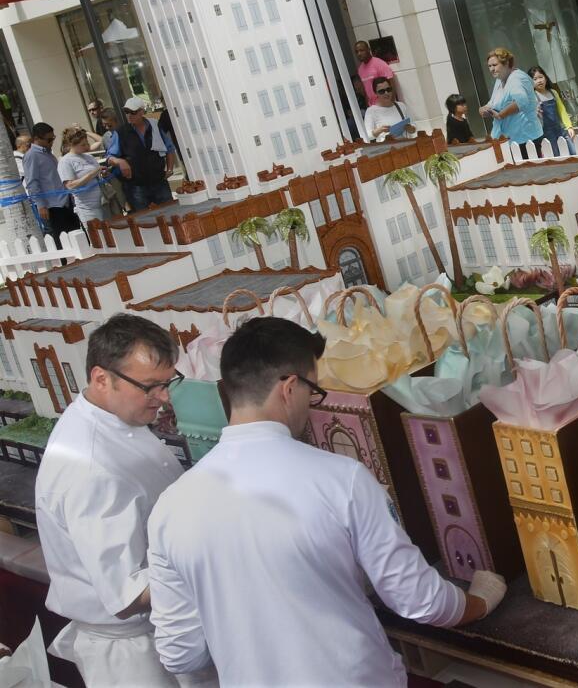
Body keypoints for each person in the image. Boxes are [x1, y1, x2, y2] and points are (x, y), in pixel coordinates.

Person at [146, 317, 503, 687]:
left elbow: (179, 653)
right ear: (289, 388)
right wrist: (479, 600)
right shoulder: (341, 480)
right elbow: (418, 600)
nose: (311, 404)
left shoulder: (170, 507)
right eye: (312, 391)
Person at [34, 314, 204, 687]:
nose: (163, 397)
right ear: (101, 378)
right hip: (136, 657)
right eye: (150, 387)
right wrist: (212, 561)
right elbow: (128, 593)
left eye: (168, 382)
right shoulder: (90, 468)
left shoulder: (113, 416)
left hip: (164, 630)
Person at [107, 98, 176, 211]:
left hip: (159, 181)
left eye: (133, 112)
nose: (129, 115)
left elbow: (169, 148)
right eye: (126, 112)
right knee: (144, 219)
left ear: (141, 112)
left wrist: (170, 169)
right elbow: (109, 157)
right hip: (136, 185)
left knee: (171, 212)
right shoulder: (120, 132)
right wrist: (121, 161)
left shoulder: (155, 126)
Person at [479, 48, 543, 154]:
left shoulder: (516, 78)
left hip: (524, 138)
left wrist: (500, 115)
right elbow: (493, 102)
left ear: (507, 63)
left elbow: (521, 101)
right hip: (508, 139)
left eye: (495, 65)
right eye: (489, 66)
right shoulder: (499, 80)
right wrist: (484, 108)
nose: (491, 69)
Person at [23, 123, 81, 239]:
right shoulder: (32, 156)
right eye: (49, 140)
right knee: (62, 240)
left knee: (77, 235)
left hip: (65, 202)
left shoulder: (47, 152)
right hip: (52, 206)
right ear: (36, 139)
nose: (52, 142)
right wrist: (41, 205)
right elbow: (32, 182)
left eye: (53, 138)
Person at [58, 126, 110, 236]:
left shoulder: (88, 157)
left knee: (112, 235)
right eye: (82, 145)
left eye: (87, 143)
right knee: (99, 238)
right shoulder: (65, 161)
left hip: (104, 202)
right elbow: (70, 185)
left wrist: (102, 173)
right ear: (71, 145)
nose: (86, 147)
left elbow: (97, 174)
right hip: (87, 208)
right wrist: (92, 174)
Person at [531, 66, 574, 154]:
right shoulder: (532, 97)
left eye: (541, 77)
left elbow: (562, 110)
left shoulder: (553, 92)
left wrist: (569, 126)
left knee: (572, 152)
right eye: (535, 79)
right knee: (556, 156)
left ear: (545, 78)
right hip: (546, 134)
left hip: (560, 130)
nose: (539, 80)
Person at [355, 41, 397, 107]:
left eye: (361, 50)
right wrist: (369, 107)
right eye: (357, 52)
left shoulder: (379, 63)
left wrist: (390, 104)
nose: (359, 53)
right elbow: (366, 91)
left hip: (384, 105)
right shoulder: (360, 70)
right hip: (373, 107)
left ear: (368, 50)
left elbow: (391, 84)